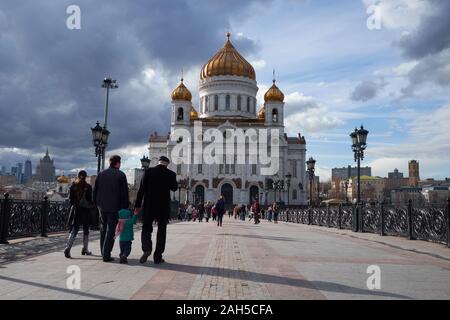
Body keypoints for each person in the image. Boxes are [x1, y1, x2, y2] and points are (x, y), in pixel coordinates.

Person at [134, 156, 177, 264]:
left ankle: (147, 248)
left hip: (149, 205)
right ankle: (158, 257)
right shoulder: (171, 174)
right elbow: (174, 187)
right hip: (163, 207)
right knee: (162, 231)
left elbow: (141, 190)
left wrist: (137, 206)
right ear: (167, 164)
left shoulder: (148, 172)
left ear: (158, 162)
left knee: (146, 228)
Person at [94, 155, 129, 262]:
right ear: (117, 163)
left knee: (103, 228)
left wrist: (96, 202)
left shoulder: (101, 174)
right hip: (114, 206)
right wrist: (125, 206)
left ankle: (103, 252)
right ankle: (106, 254)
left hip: (101, 206)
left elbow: (95, 190)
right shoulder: (121, 175)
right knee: (110, 230)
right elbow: (124, 193)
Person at [64, 170, 94, 259]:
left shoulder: (73, 186)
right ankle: (85, 249)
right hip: (85, 211)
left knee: (74, 229)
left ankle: (68, 247)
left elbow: (70, 200)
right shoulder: (88, 187)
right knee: (86, 230)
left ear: (78, 176)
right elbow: (90, 200)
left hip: (76, 210)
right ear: (86, 177)